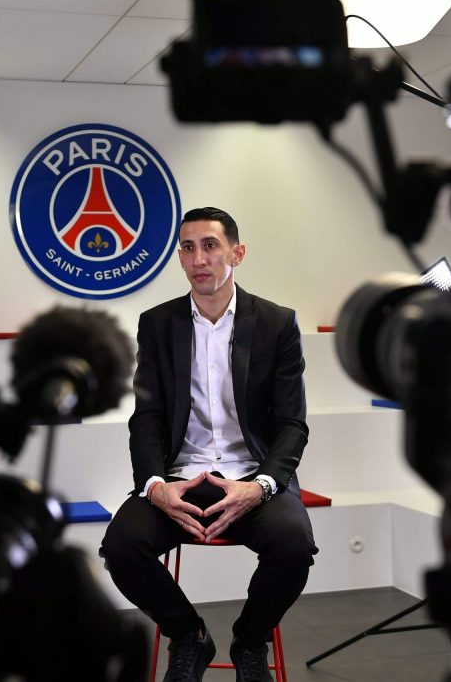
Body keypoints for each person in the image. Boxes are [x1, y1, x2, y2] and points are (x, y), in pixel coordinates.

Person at [100, 207, 317, 682]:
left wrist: (261, 486)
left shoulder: (277, 323)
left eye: (210, 245)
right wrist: (155, 485)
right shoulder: (158, 324)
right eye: (188, 248)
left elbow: (291, 424)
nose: (198, 258)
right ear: (180, 257)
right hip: (181, 476)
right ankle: (189, 635)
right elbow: (147, 417)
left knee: (293, 546)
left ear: (237, 253)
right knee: (121, 546)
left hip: (252, 476)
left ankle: (251, 641)